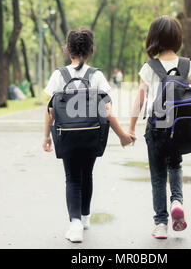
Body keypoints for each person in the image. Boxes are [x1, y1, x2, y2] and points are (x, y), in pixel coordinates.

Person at [42, 28, 136, 243]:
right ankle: (84, 218)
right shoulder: (97, 76)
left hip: (66, 135)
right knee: (87, 173)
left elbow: (50, 111)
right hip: (92, 135)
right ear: (92, 50)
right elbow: (107, 111)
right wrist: (122, 135)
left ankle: (74, 223)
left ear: (67, 49)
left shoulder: (59, 75)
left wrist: (47, 136)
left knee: (72, 177)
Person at [128, 16, 191, 239]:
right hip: (180, 127)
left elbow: (140, 100)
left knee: (157, 175)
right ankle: (177, 200)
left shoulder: (149, 67)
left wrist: (131, 128)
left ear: (153, 39)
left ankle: (161, 224)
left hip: (156, 127)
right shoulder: (186, 64)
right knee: (175, 165)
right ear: (178, 38)